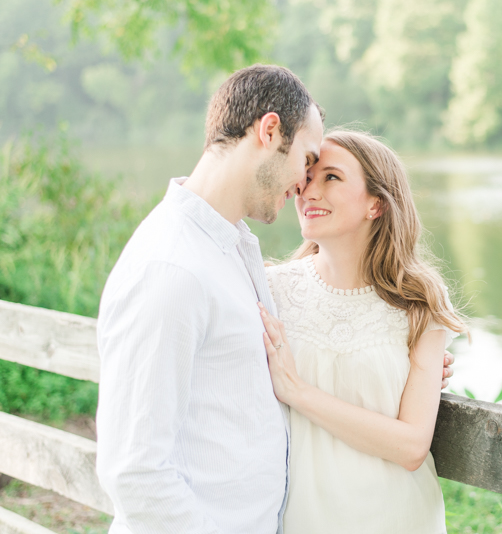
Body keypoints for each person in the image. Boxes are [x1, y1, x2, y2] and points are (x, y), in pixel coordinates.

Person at [95, 65, 454, 534]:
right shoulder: (171, 268)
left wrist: (404, 367)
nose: (304, 184)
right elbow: (135, 472)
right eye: (307, 161)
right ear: (269, 131)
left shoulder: (234, 252)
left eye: (324, 171)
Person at [260, 130, 468, 533]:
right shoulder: (272, 290)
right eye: (307, 177)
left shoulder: (419, 300)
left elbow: (411, 447)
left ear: (376, 203)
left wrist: (298, 391)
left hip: (398, 518)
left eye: (331, 178)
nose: (307, 191)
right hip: (304, 518)